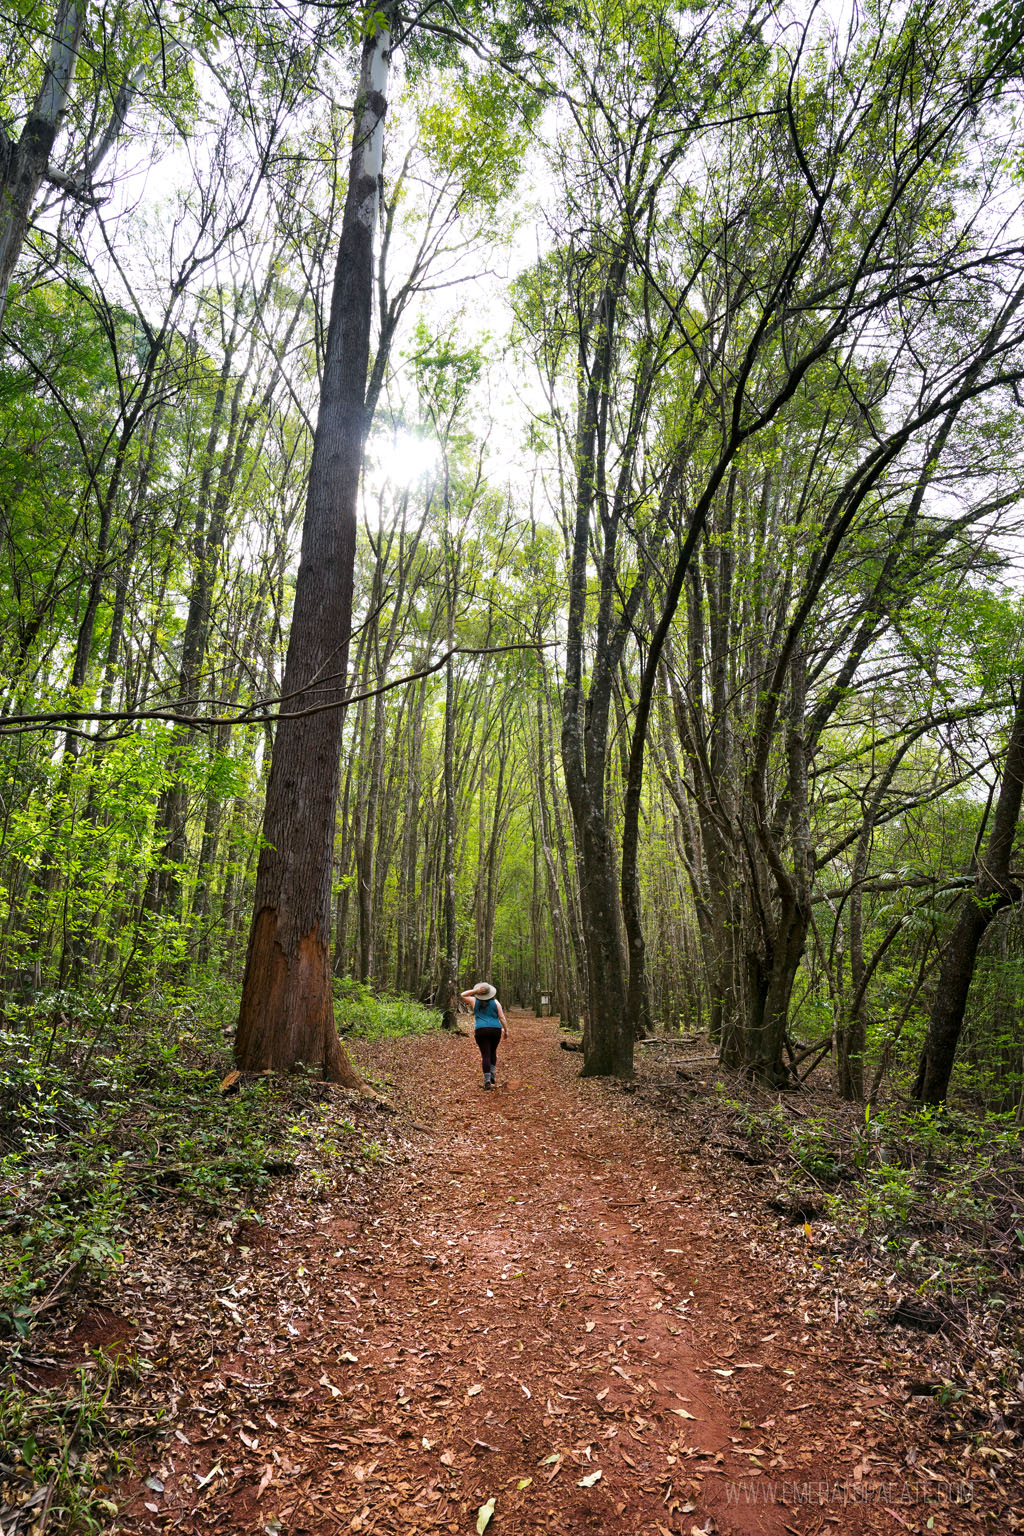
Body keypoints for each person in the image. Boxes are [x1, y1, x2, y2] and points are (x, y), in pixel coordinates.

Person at [459, 981, 508, 1089]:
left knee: (485, 1054)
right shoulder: (496, 1003)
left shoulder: (474, 1001)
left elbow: (462, 994)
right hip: (495, 1029)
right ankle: (492, 1074)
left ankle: (487, 1080)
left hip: (481, 1030)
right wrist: (506, 1030)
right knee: (493, 1051)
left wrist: (475, 991)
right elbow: (502, 1017)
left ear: (480, 993)